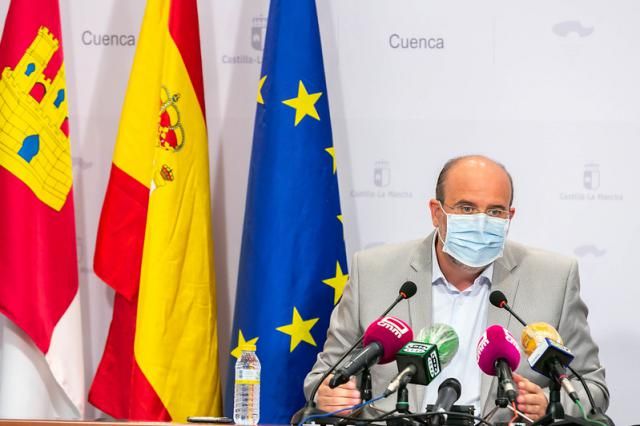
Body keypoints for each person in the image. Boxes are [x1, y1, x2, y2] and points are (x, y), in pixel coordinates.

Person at [303, 155, 609, 423]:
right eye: (466, 208)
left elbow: (593, 386)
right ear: (436, 212)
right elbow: (321, 378)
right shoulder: (373, 272)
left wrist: (549, 403)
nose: (480, 222)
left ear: (510, 217)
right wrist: (333, 396)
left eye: (495, 211)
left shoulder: (554, 278)